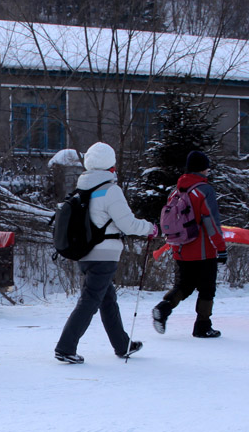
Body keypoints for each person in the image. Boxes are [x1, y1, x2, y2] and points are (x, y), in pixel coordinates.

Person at [54, 142, 157, 364]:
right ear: (111, 165)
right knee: (90, 301)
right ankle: (65, 347)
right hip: (104, 255)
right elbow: (128, 224)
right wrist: (151, 228)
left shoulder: (83, 189)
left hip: (86, 254)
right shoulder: (110, 190)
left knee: (107, 299)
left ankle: (122, 345)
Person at [152, 150, 227, 338]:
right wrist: (221, 247)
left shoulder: (176, 191)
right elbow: (211, 222)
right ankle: (202, 326)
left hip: (180, 247)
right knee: (207, 288)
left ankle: (163, 308)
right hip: (203, 250)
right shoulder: (204, 190)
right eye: (207, 168)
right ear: (202, 169)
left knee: (184, 285)